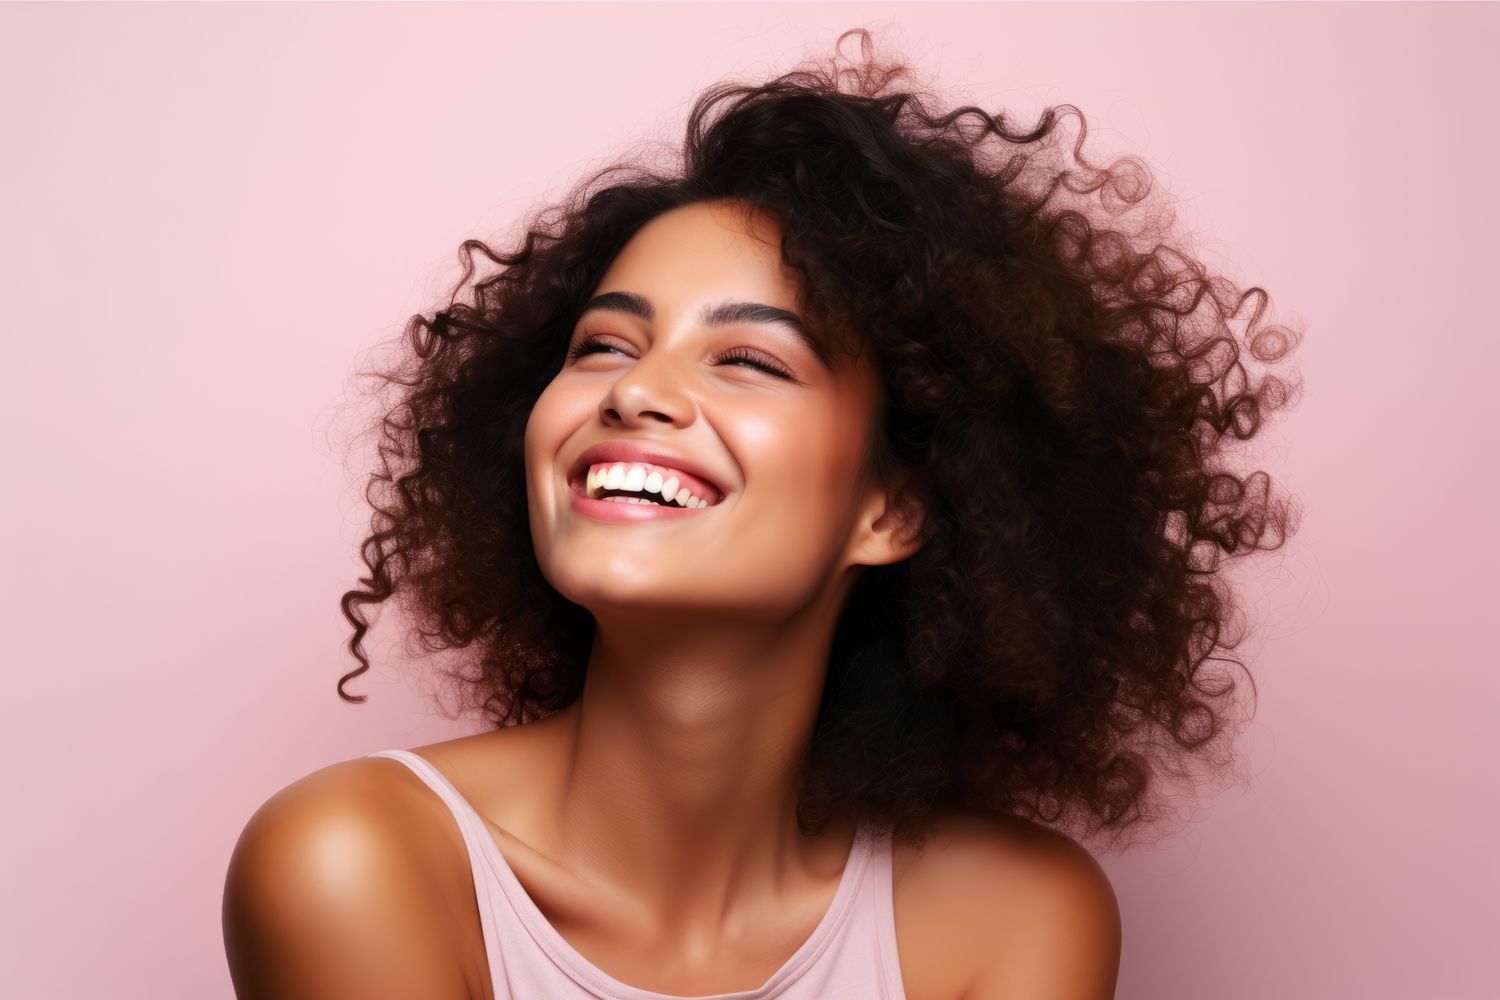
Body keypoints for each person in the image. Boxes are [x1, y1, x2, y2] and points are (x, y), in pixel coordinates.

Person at [222, 28, 1300, 1000]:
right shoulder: (352, 862)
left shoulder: (1016, 918)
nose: (633, 392)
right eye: (604, 343)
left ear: (895, 508)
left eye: (746, 359)